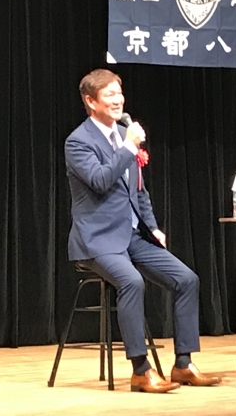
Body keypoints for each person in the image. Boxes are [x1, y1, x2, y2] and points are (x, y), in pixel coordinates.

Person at [65, 68, 221, 393]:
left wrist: (152, 226)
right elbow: (100, 181)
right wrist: (128, 147)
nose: (118, 100)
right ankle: (140, 370)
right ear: (91, 102)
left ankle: (183, 364)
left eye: (119, 93)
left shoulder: (124, 135)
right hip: (98, 240)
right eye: (109, 94)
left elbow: (138, 190)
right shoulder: (79, 141)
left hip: (133, 235)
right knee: (132, 282)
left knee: (187, 279)